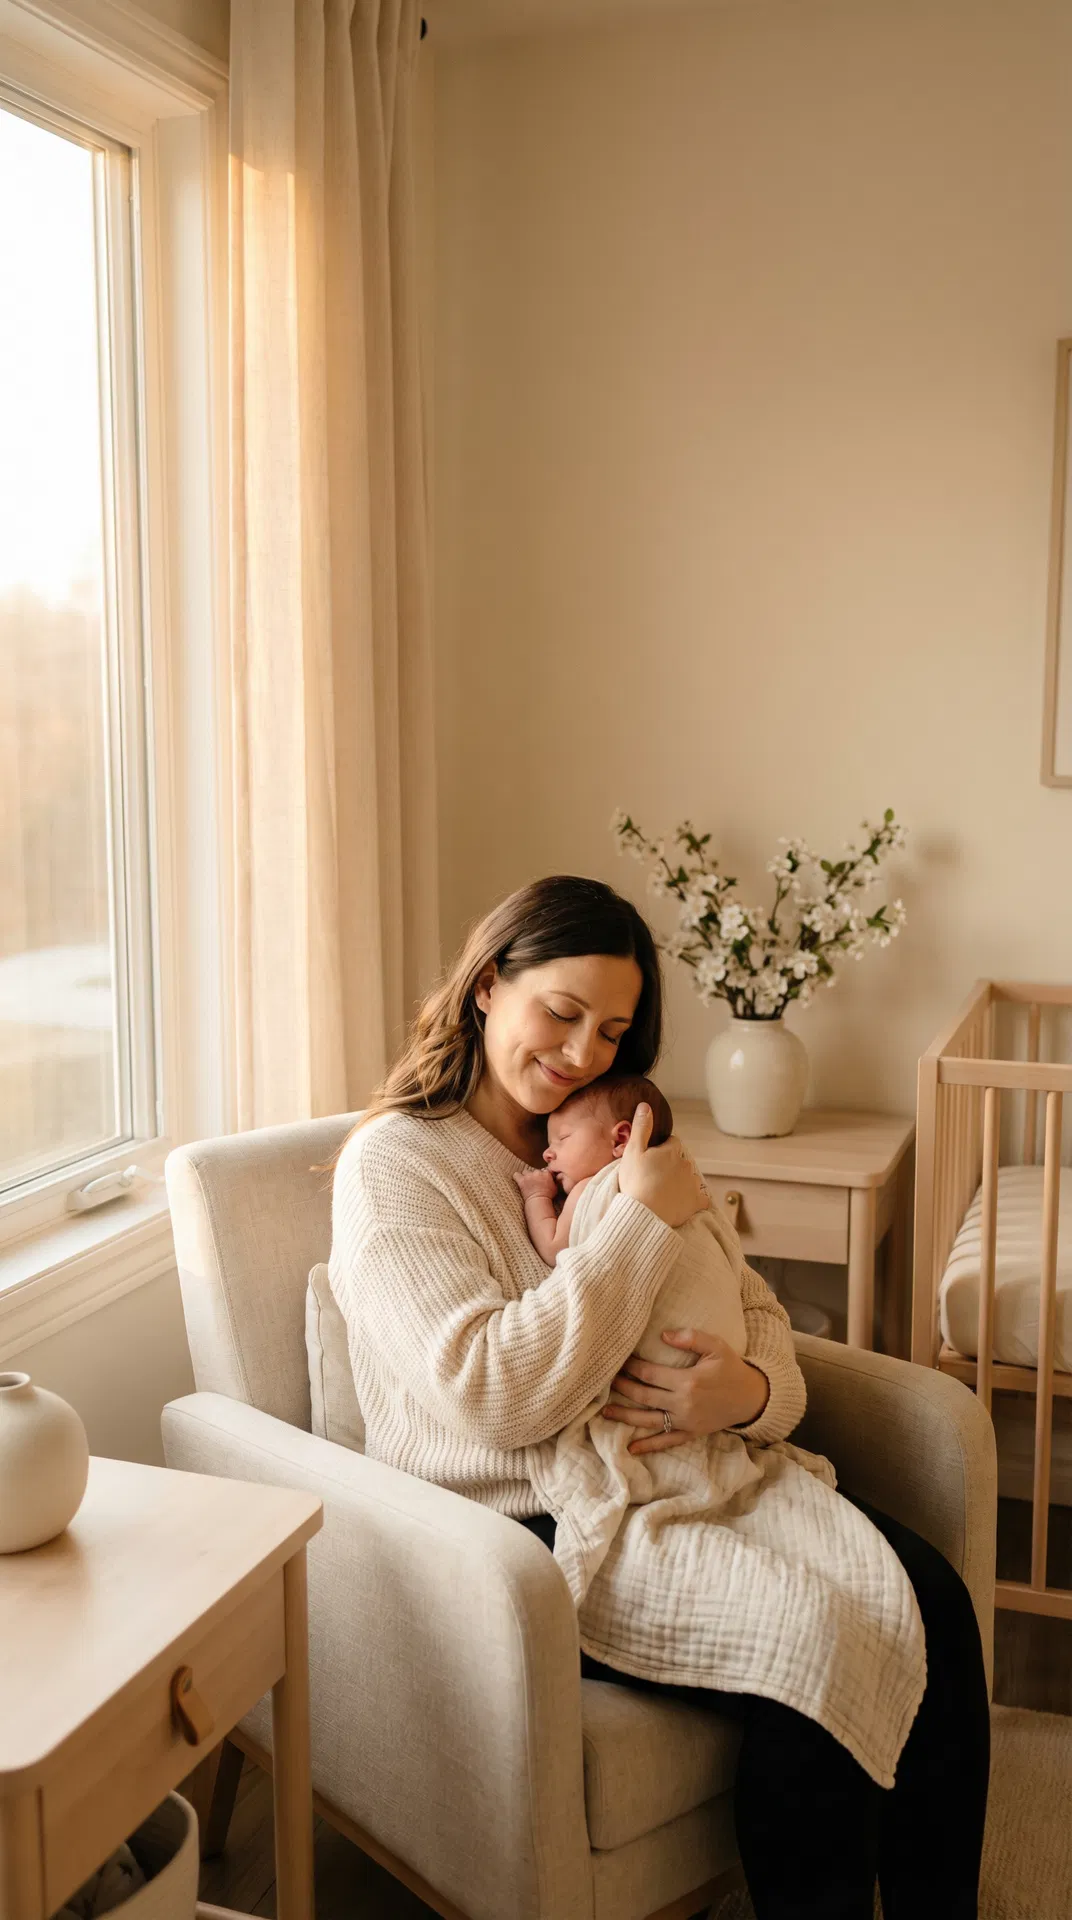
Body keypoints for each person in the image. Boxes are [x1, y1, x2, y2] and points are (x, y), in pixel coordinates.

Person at [329, 874, 990, 1920]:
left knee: (933, 1604)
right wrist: (638, 1221)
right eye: (562, 1012)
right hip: (535, 1519)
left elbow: (743, 1298)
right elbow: (493, 1391)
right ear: (489, 984)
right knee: (805, 1648)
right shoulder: (395, 1169)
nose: (586, 1052)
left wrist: (749, 1390)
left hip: (693, 1467)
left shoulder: (612, 1132)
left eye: (615, 1029)